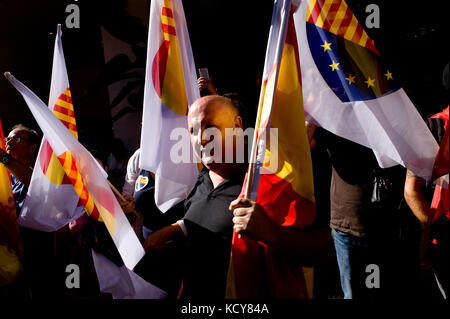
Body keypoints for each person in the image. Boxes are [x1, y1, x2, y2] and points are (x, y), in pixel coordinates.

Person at [144, 95, 332, 298]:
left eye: (210, 126)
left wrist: (271, 233)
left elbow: (324, 251)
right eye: (193, 131)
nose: (202, 138)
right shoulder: (202, 180)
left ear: (238, 125)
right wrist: (173, 230)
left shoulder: (270, 179)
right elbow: (207, 225)